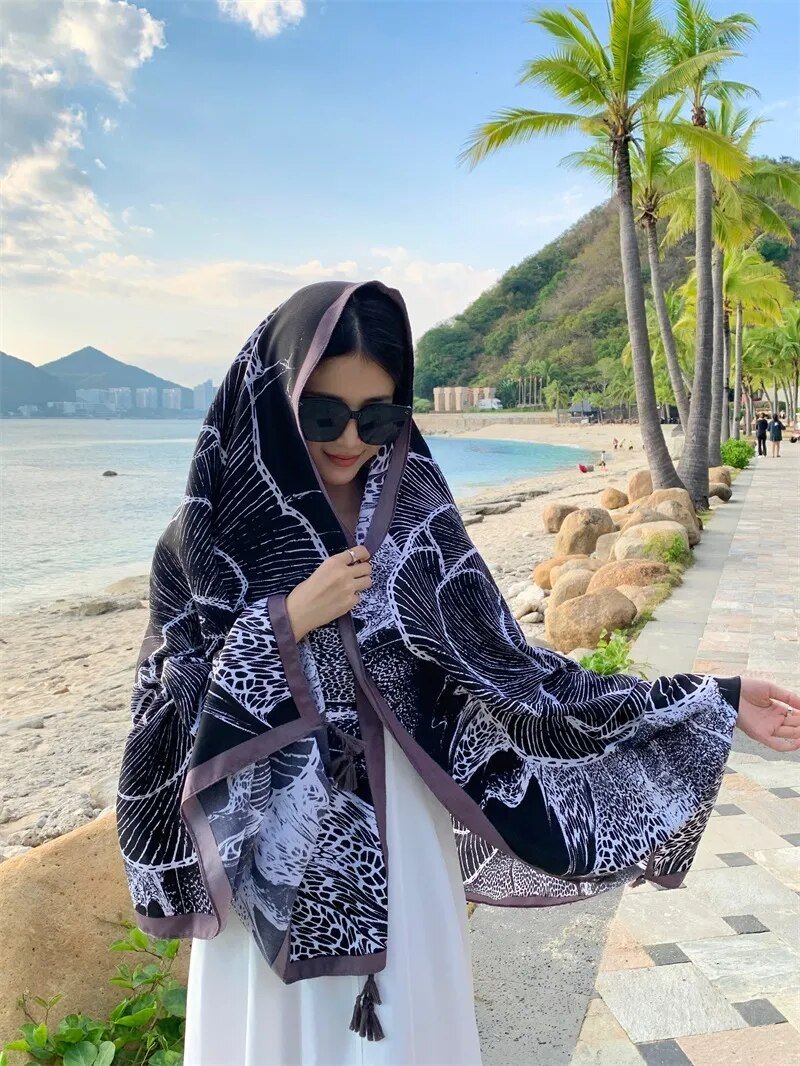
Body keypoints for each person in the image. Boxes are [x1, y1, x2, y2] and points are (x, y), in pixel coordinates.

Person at [115, 281, 800, 1066]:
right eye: (324, 416)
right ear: (274, 400)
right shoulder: (203, 538)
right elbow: (165, 718)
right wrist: (288, 620)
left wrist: (714, 699)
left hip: (404, 834)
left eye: (378, 418)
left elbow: (518, 674)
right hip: (267, 853)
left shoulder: (416, 520)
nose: (351, 441)